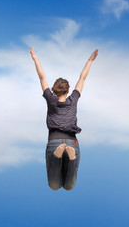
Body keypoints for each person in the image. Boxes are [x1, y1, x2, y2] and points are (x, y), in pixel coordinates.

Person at [30, 47, 98, 191]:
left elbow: (42, 78)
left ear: (54, 90)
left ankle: (57, 156)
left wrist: (35, 58)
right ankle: (71, 158)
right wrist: (90, 60)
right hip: (72, 141)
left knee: (54, 186)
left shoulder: (50, 99)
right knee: (69, 186)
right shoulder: (73, 99)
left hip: (54, 141)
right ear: (68, 91)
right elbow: (82, 78)